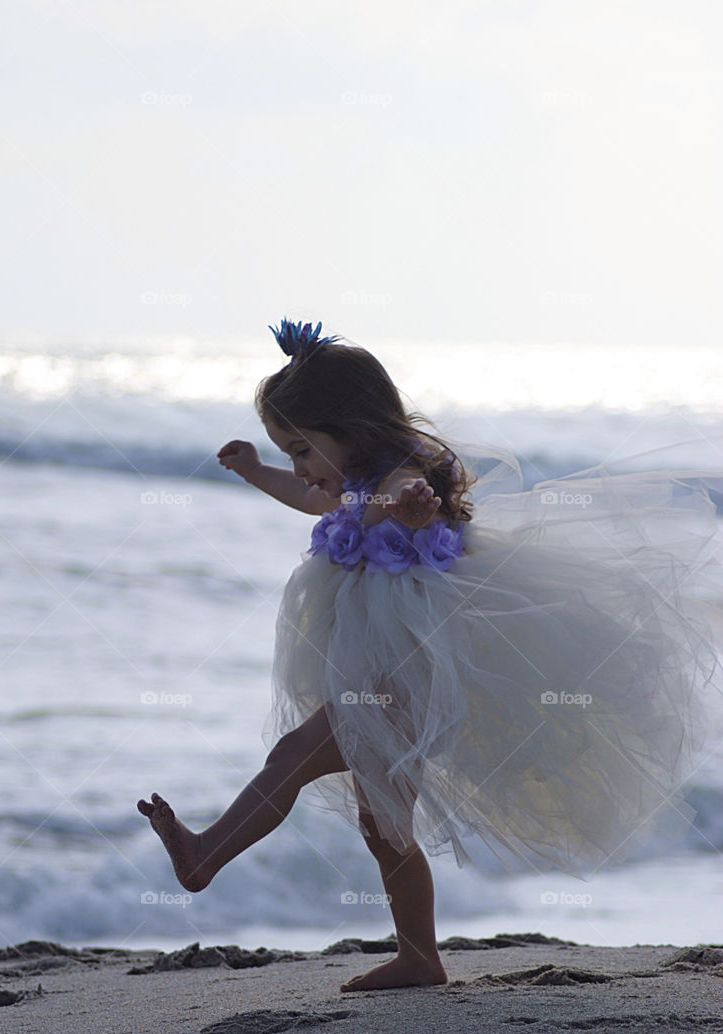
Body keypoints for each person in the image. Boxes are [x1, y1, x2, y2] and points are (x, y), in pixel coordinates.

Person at [139, 318, 723, 992]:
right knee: (381, 822)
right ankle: (420, 957)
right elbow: (310, 497)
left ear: (350, 427)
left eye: (302, 448)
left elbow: (403, 504)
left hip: (408, 672)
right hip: (379, 666)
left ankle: (204, 856)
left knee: (294, 756)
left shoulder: (404, 477)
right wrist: (255, 471)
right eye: (289, 452)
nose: (300, 468)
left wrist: (412, 509)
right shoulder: (349, 476)